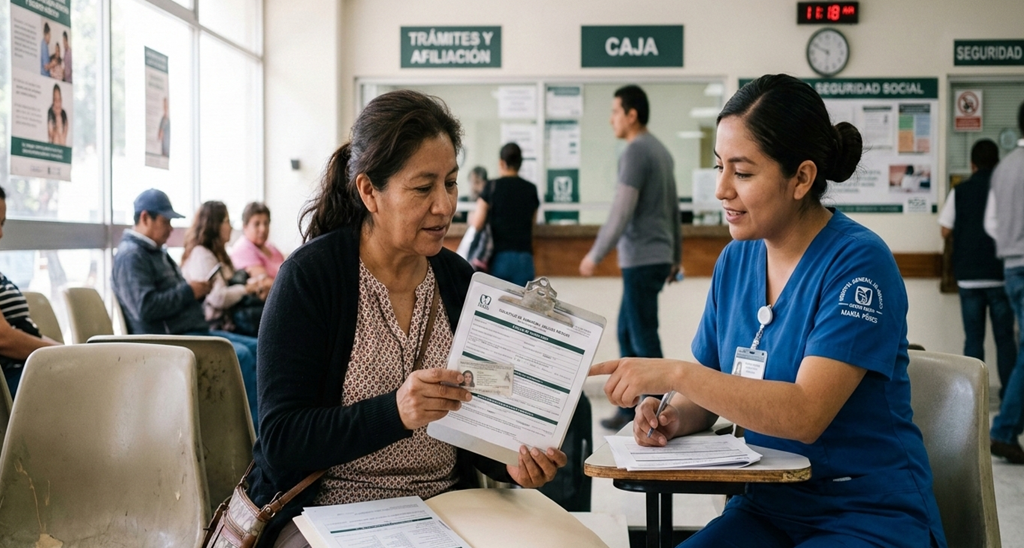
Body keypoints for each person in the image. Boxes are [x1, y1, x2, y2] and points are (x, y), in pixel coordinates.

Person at [591, 74, 947, 547]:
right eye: (719, 167)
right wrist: (673, 415)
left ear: (801, 177)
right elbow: (710, 383)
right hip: (768, 507)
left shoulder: (859, 264)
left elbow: (804, 414)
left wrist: (674, 375)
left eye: (742, 172)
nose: (721, 190)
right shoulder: (736, 260)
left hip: (866, 513)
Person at [246, 90, 566, 548]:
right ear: (369, 191)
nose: (444, 205)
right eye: (423, 188)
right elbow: (281, 438)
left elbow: (483, 417)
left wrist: (511, 461)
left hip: (447, 508)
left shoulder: (459, 282)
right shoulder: (311, 279)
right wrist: (395, 412)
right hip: (330, 512)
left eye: (451, 184)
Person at [111, 189, 260, 429]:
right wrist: (190, 292)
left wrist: (197, 293)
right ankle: (254, 437)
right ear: (145, 218)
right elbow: (145, 308)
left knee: (258, 347)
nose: (171, 229)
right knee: (241, 354)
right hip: (169, 340)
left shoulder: (156, 253)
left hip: (192, 330)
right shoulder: (132, 257)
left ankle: (255, 427)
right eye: (166, 221)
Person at [579, 84, 681, 431]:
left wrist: (595, 253)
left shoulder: (636, 151)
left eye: (614, 112)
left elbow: (621, 210)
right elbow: (673, 211)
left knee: (643, 337)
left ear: (632, 115)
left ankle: (661, 411)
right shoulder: (662, 152)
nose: (611, 120)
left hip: (641, 257)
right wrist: (675, 256)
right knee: (628, 330)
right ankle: (631, 406)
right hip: (655, 255)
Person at [938, 139, 1016, 402]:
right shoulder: (1007, 190)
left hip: (969, 277)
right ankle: (1009, 396)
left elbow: (945, 230)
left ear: (972, 164)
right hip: (1000, 275)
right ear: (997, 163)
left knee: (974, 340)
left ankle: (974, 397)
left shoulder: (961, 191)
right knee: (1005, 340)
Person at [984, 100, 1024, 465]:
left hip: (1011, 266)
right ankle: (1006, 428)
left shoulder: (1005, 167)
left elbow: (992, 224)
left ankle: (1008, 426)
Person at [0, 186, 61, 397]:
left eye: (2, 224)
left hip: (27, 368)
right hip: (12, 377)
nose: (1, 233)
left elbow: (22, 330)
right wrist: (58, 353)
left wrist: (65, 351)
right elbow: (3, 338)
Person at [180, 201, 266, 332]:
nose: (230, 227)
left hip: (226, 323)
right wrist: (246, 289)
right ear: (214, 225)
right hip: (212, 326)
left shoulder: (218, 253)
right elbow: (218, 298)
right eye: (227, 221)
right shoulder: (201, 254)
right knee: (253, 348)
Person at [469, 143, 539, 286]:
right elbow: (532, 223)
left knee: (497, 306)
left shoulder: (492, 186)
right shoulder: (531, 189)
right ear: (520, 163)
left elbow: (477, 223)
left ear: (501, 162)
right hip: (524, 258)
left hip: (498, 258)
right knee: (522, 307)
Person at [229, 201, 285, 287]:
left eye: (266, 223)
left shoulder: (269, 246)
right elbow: (265, 282)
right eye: (257, 224)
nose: (263, 229)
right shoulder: (243, 249)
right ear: (245, 226)